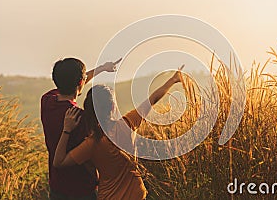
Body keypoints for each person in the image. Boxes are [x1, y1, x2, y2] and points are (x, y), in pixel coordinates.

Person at [53, 66, 184, 200]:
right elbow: (153, 98)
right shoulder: (126, 124)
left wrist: (66, 130)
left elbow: (58, 162)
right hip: (136, 195)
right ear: (113, 106)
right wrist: (173, 80)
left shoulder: (91, 143)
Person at [41, 57, 121, 200]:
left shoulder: (47, 101)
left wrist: (101, 68)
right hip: (82, 188)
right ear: (80, 82)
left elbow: (73, 84)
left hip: (57, 186)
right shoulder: (83, 118)